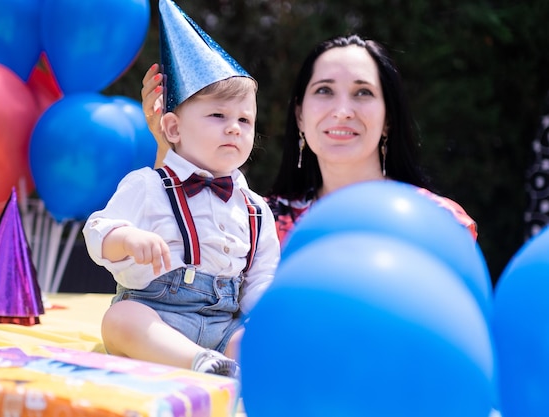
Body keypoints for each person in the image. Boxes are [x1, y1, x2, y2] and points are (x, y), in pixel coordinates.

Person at [83, 0, 280, 379]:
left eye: (244, 119)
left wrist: (269, 311)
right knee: (120, 319)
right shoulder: (148, 184)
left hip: (223, 325)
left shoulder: (255, 208)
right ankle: (198, 362)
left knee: (263, 334)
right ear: (172, 129)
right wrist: (127, 238)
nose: (235, 128)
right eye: (218, 116)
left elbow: (261, 277)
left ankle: (238, 366)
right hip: (158, 317)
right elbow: (97, 231)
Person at [142, 34, 478, 243]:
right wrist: (167, 145)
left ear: (388, 118)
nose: (343, 110)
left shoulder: (439, 223)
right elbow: (172, 269)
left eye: (362, 92)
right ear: (301, 116)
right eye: (325, 91)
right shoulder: (256, 220)